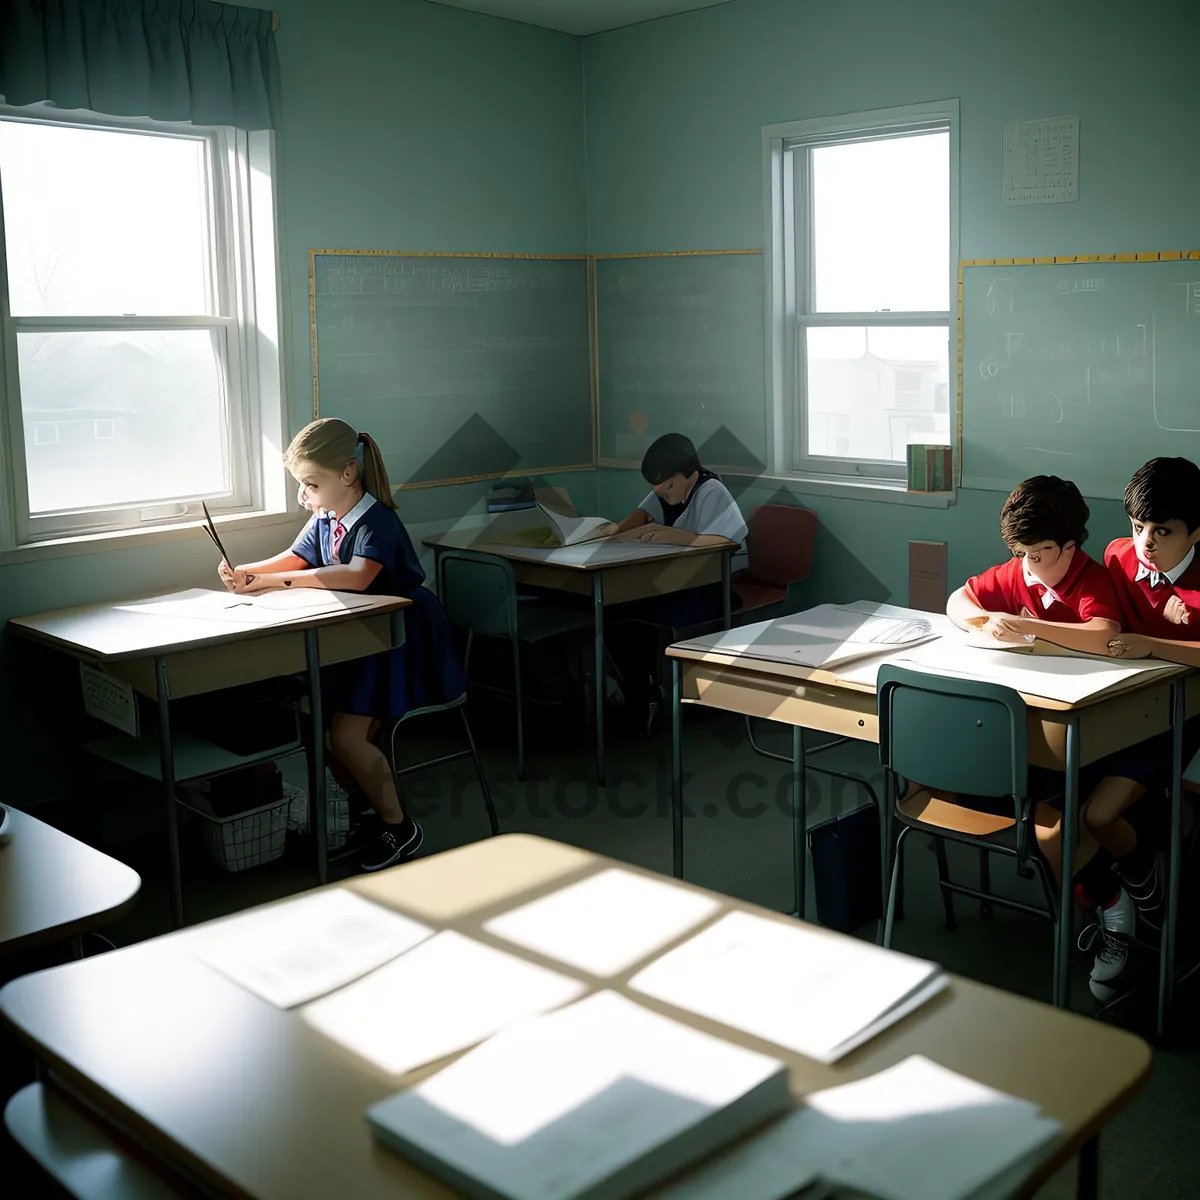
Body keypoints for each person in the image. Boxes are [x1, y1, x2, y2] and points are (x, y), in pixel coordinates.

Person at [219, 418, 465, 872]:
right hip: (360, 641)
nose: (302, 496)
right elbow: (296, 556)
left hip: (399, 638)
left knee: (346, 737)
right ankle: (369, 811)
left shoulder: (377, 519)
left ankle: (398, 826)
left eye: (310, 484)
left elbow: (357, 575)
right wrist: (248, 572)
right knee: (327, 729)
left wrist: (272, 581)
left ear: (348, 474)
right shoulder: (325, 517)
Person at [1073, 457, 1200, 999]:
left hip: (1184, 714)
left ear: (1196, 532)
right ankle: (1125, 901)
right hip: (1123, 708)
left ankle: (1152, 899)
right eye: (1137, 526)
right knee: (1061, 796)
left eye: (1163, 531)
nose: (1145, 542)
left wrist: (1157, 645)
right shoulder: (1118, 557)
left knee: (1098, 813)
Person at [605, 433, 748, 730]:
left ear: (687, 474)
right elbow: (641, 515)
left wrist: (682, 537)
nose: (662, 492)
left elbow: (728, 541)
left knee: (641, 613)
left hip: (707, 587)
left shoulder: (711, 490)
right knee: (618, 611)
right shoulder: (665, 490)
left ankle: (654, 695)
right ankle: (642, 691)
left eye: (667, 484)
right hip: (673, 582)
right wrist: (611, 532)